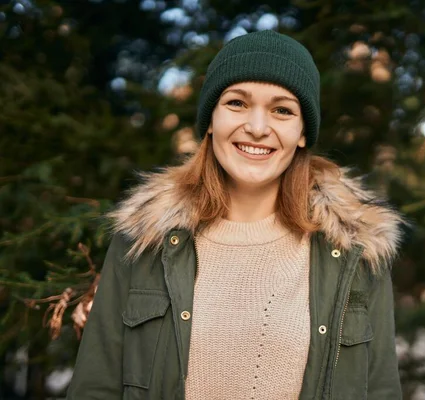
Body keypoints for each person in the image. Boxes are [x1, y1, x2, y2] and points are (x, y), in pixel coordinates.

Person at [67, 30, 405, 400]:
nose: (258, 128)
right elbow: (94, 387)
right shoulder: (143, 242)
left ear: (303, 132)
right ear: (210, 120)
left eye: (282, 110)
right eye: (237, 103)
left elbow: (381, 389)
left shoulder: (354, 251)